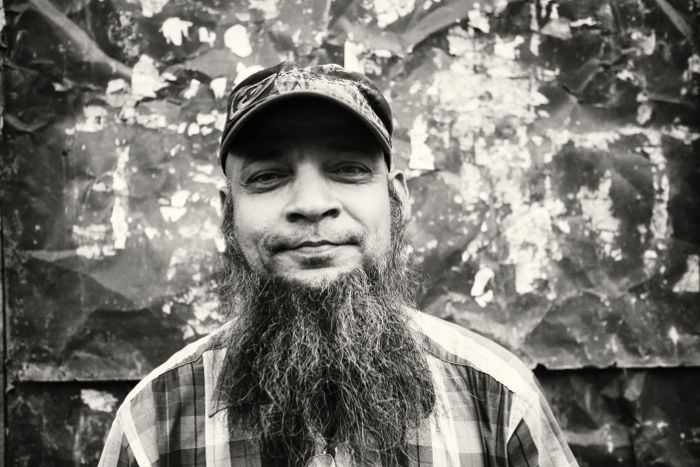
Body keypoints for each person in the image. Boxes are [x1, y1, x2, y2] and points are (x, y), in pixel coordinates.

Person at [98, 62, 578, 467]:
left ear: (396, 200)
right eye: (268, 176)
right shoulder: (154, 423)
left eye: (348, 169)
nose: (311, 203)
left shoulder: (498, 401)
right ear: (228, 213)